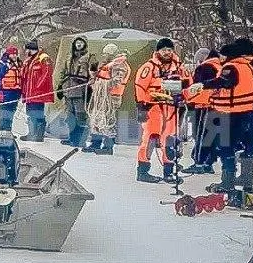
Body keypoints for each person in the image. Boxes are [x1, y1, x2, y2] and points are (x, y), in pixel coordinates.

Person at [186, 37, 253, 207]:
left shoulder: (231, 67)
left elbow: (224, 82)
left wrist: (202, 85)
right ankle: (247, 179)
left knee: (226, 147)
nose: (220, 59)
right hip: (248, 112)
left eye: (223, 56)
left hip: (232, 114)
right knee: (248, 146)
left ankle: (228, 182)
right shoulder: (249, 67)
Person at [133, 38, 188, 184]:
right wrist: (141, 106)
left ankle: (168, 171)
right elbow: (140, 86)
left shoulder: (179, 67)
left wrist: (184, 98)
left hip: (172, 108)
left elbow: (188, 84)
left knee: (170, 140)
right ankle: (143, 170)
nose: (167, 53)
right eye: (164, 50)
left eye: (169, 50)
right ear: (158, 51)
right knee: (150, 138)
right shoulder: (149, 67)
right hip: (153, 107)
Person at [182, 47, 222, 174]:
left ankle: (199, 163)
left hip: (203, 106)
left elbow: (197, 89)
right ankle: (208, 164)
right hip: (218, 106)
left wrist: (186, 98)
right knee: (212, 136)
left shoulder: (204, 68)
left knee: (200, 135)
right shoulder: (219, 66)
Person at [87, 43, 129, 154]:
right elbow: (99, 77)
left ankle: (108, 146)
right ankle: (95, 143)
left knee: (109, 120)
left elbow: (117, 81)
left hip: (111, 97)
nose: (104, 55)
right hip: (101, 96)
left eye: (106, 54)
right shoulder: (107, 64)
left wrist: (101, 84)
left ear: (111, 54)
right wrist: (93, 76)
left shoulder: (120, 65)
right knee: (97, 119)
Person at [59, 36, 93, 148]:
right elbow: (63, 72)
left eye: (81, 42)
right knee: (70, 117)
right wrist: (60, 86)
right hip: (68, 91)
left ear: (85, 44)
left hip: (80, 91)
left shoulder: (90, 58)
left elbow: (93, 73)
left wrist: (90, 86)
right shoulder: (69, 58)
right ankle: (72, 137)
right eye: (77, 42)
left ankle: (81, 140)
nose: (78, 44)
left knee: (81, 116)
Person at [18, 39, 54, 141]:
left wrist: (38, 87)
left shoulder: (43, 58)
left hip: (37, 93)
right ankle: (32, 133)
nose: (26, 52)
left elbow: (46, 74)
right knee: (30, 113)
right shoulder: (29, 60)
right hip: (29, 93)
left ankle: (38, 135)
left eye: (27, 50)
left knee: (37, 113)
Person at [0, 43, 23, 132]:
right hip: (5, 92)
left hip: (15, 92)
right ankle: (2, 130)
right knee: (4, 112)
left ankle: (8, 130)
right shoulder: (2, 64)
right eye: (12, 54)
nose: (14, 56)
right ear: (8, 54)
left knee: (11, 112)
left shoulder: (18, 64)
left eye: (15, 54)